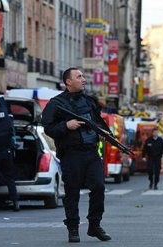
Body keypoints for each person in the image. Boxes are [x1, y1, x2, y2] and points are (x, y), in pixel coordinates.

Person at [41, 68, 112, 243]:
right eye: (79, 77)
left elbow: (99, 123)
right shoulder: (56, 104)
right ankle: (73, 228)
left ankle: (94, 225)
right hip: (71, 154)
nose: (83, 80)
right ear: (68, 82)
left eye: (83, 76)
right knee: (72, 191)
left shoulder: (89, 101)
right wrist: (67, 125)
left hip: (92, 152)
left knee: (99, 187)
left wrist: (104, 133)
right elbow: (48, 128)